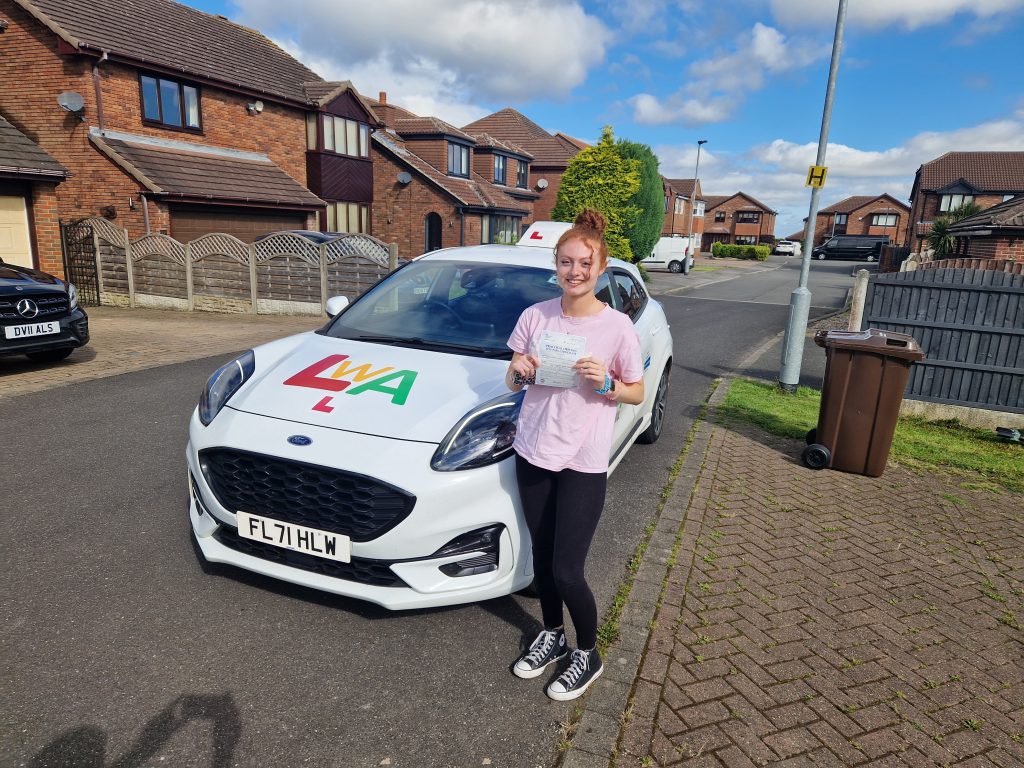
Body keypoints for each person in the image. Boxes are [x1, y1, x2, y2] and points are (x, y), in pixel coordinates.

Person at [505, 208, 645, 701]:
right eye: (566, 262)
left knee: (567, 570)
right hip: (533, 450)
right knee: (542, 561)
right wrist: (521, 368)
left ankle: (588, 652)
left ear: (601, 268)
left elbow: (636, 392)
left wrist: (606, 383)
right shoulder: (535, 316)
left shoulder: (617, 327)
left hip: (582, 460)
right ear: (556, 265)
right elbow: (512, 379)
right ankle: (552, 634)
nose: (575, 271)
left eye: (585, 263)